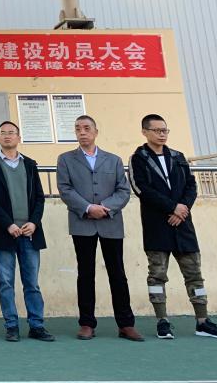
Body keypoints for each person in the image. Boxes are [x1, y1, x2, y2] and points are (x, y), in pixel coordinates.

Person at [129, 114, 217, 340]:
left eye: (165, 130)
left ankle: (202, 322)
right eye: (157, 130)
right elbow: (140, 188)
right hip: (157, 226)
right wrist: (172, 207)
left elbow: (191, 186)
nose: (162, 134)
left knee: (194, 275)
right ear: (145, 132)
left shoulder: (178, 156)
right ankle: (162, 321)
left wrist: (182, 209)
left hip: (183, 226)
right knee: (157, 276)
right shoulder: (138, 158)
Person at [57, 114, 142, 342]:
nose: (82, 132)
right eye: (78, 129)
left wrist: (104, 207)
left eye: (86, 128)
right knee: (85, 274)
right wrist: (87, 208)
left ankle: (126, 324)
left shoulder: (113, 160)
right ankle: (86, 323)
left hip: (110, 223)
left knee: (118, 274)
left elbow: (123, 190)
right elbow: (65, 189)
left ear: (96, 132)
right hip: (82, 224)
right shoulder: (65, 159)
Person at [0, 121, 54, 343]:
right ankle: (11, 326)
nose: (7, 136)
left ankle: (37, 325)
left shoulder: (29, 164)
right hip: (5, 232)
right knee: (6, 283)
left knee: (32, 283)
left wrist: (34, 222)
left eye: (11, 132)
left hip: (30, 233)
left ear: (19, 137)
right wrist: (7, 224)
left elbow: (39, 197)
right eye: (3, 133)